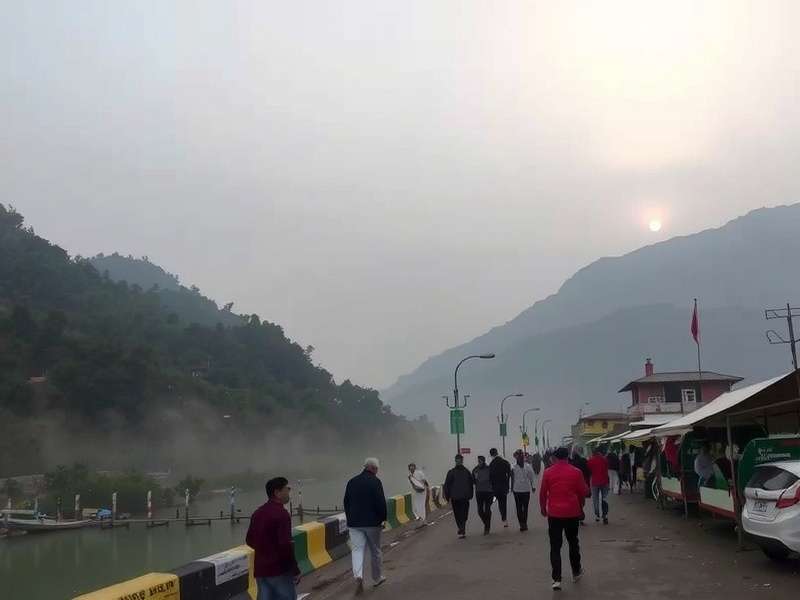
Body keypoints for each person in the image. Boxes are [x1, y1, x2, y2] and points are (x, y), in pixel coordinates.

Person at [539, 447, 590, 591]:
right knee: (573, 542)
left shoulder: (548, 472)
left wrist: (543, 508)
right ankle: (576, 571)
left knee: (555, 546)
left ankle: (556, 579)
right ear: (568, 457)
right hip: (572, 513)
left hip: (554, 514)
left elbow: (543, 493)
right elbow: (584, 491)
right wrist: (580, 505)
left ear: (555, 457)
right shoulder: (576, 472)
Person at [246, 477, 300, 600]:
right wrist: (295, 569)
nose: (289, 492)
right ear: (277, 492)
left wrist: (265, 551)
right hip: (279, 570)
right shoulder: (282, 515)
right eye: (287, 489)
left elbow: (249, 540)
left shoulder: (258, 513)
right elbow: (285, 545)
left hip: (261, 570)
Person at [344, 458, 387, 596]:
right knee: (375, 551)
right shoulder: (375, 482)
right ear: (374, 468)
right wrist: (383, 518)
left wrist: (350, 518)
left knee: (357, 550)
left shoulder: (352, 481)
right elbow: (380, 502)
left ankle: (358, 576)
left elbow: (346, 501)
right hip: (372, 523)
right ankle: (377, 578)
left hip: (354, 523)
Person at [443, 454, 474, 538]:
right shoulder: (451, 472)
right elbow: (447, 485)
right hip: (455, 498)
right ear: (455, 461)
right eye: (457, 460)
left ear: (462, 461)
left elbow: (471, 484)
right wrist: (447, 497)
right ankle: (461, 528)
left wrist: (471, 494)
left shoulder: (467, 472)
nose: (459, 461)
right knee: (458, 514)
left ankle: (461, 528)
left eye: (460, 460)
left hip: (464, 497)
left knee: (464, 514)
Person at [511, 449, 537, 531]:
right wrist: (511, 488)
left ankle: (524, 523)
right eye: (518, 456)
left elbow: (532, 477)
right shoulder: (513, 467)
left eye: (520, 456)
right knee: (519, 508)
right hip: (517, 490)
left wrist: (533, 486)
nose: (519, 457)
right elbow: (511, 478)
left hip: (525, 490)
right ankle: (522, 524)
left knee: (524, 508)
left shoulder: (527, 466)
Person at [489, 447, 512, 527]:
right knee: (503, 502)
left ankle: (501, 517)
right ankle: (504, 518)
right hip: (504, 486)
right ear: (497, 452)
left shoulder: (491, 464)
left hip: (495, 487)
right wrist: (507, 481)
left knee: (496, 502)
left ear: (491, 454)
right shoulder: (504, 462)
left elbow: (490, 477)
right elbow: (509, 472)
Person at [586, 447, 610, 524]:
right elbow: (607, 467)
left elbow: (589, 471)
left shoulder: (590, 460)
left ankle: (597, 515)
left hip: (595, 482)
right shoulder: (604, 459)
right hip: (605, 481)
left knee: (595, 499)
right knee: (605, 498)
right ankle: (605, 515)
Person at [472, 455, 494, 534]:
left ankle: (487, 527)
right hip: (479, 492)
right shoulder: (475, 470)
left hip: (489, 492)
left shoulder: (489, 469)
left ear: (484, 461)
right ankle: (486, 523)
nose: (479, 463)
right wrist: (475, 478)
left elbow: (493, 479)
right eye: (478, 461)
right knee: (480, 511)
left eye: (480, 461)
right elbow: (473, 481)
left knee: (487, 509)